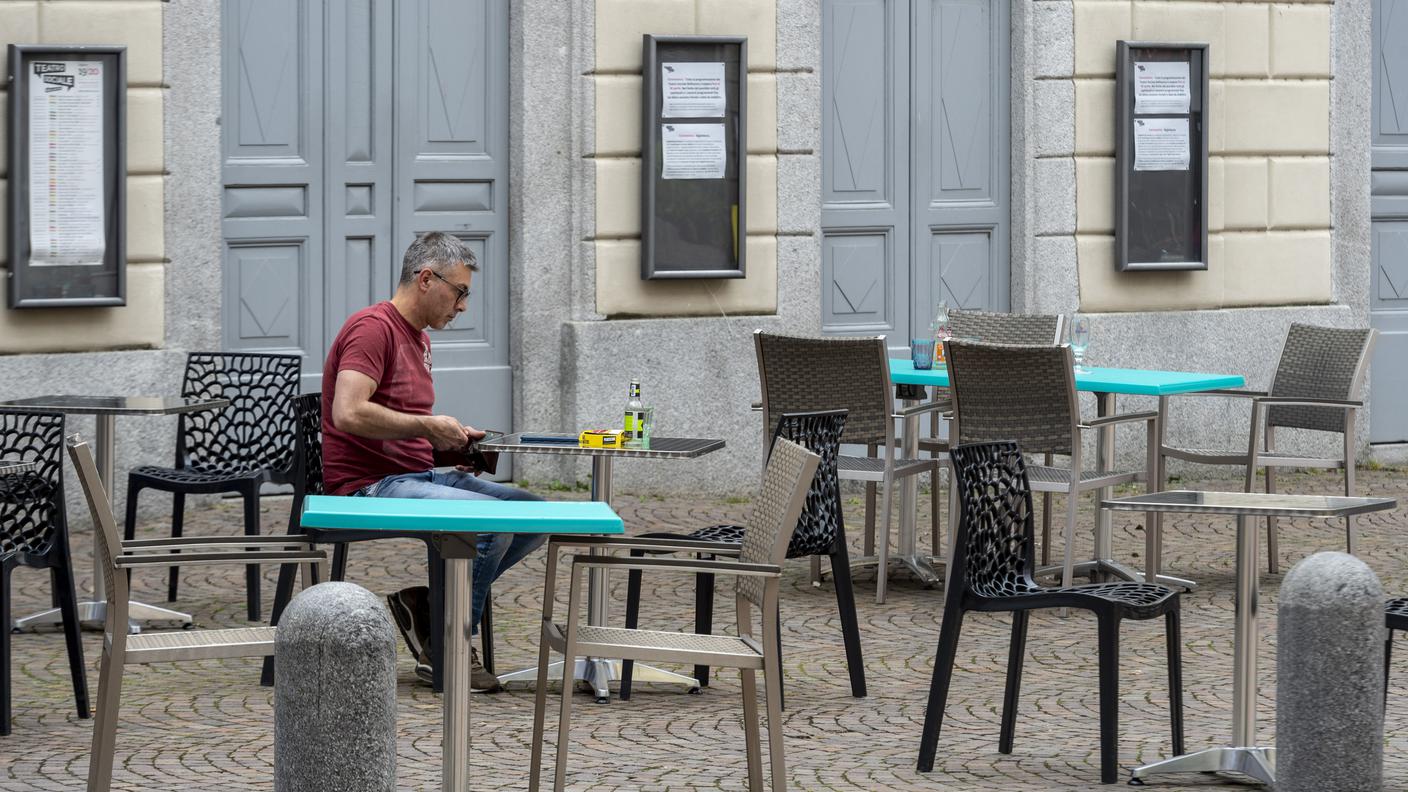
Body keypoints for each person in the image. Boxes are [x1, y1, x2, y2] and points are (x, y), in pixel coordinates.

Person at [321, 231, 543, 693]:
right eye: (460, 292)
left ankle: (427, 607)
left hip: (412, 473)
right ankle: (447, 645)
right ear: (426, 279)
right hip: (367, 485)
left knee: (532, 516)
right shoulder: (372, 329)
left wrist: (453, 446)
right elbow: (348, 412)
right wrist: (427, 426)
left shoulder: (417, 337)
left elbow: (399, 427)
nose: (463, 306)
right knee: (489, 522)